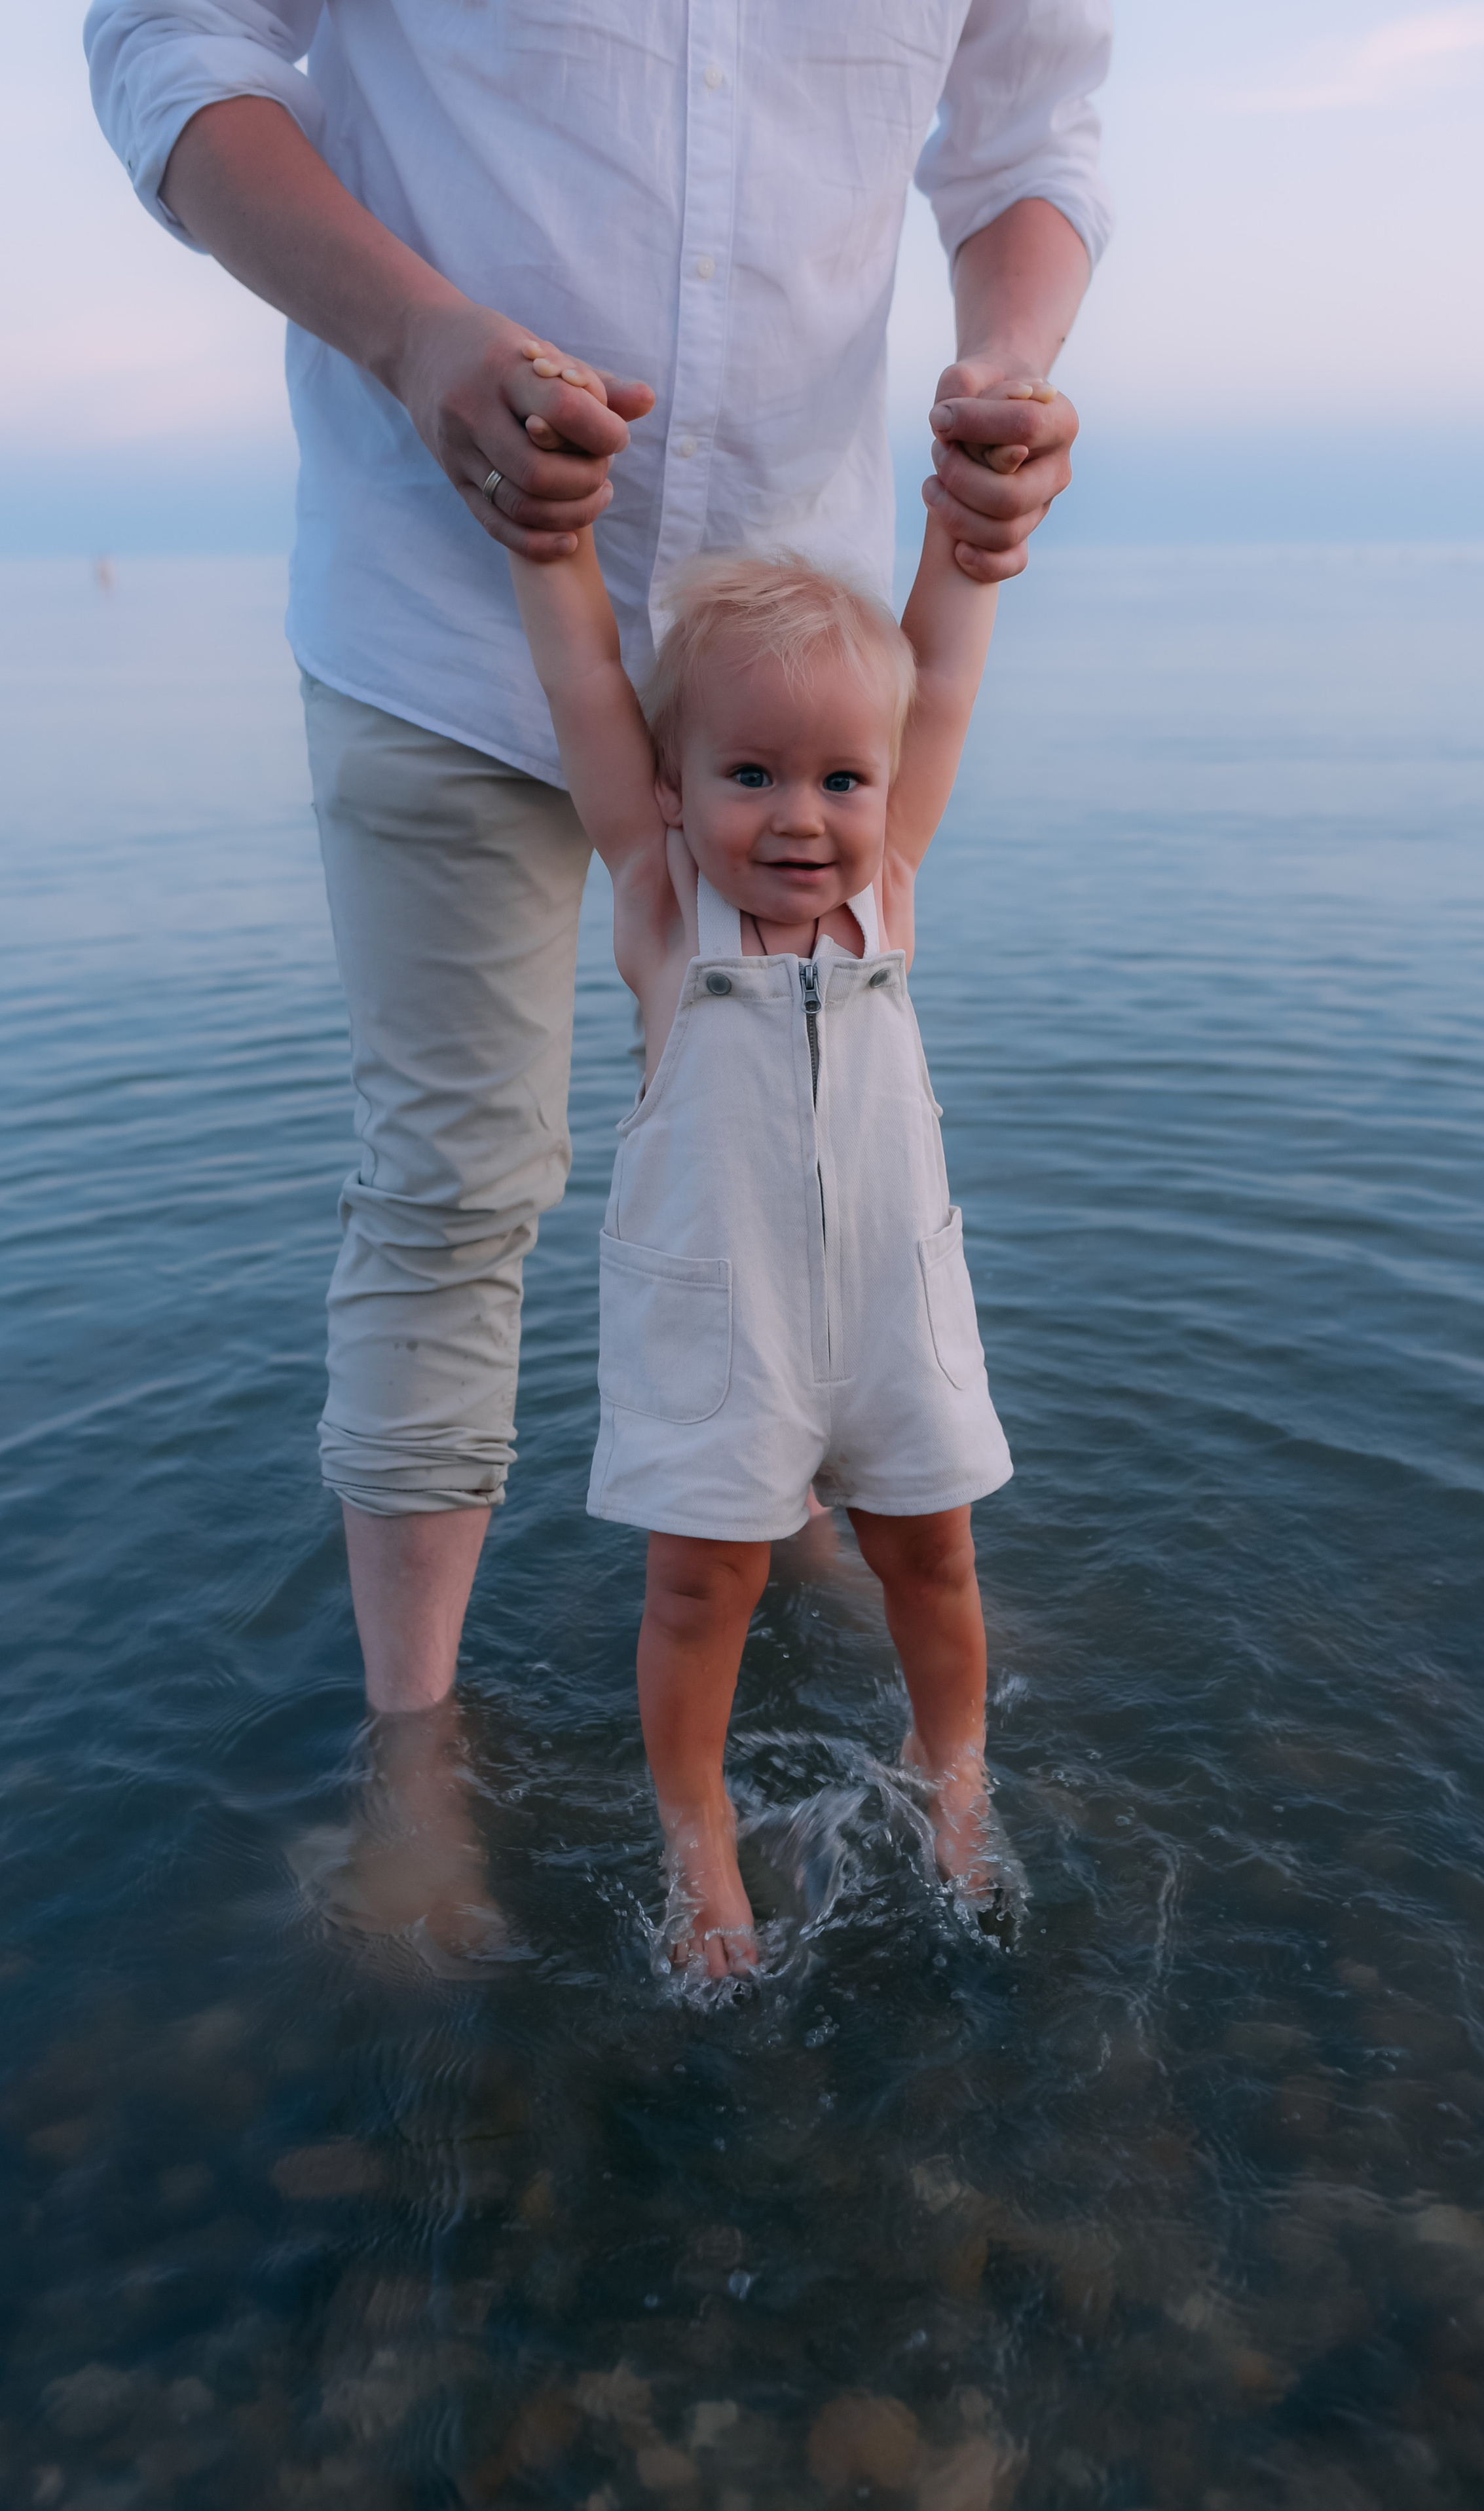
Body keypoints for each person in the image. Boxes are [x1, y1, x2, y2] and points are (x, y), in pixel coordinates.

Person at [84, 2, 1111, 1717]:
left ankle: (778, 1525)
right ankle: (414, 1748)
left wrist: (1004, 375)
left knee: (773, 1164)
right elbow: (176, 47)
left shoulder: (860, 848)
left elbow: (1031, 137)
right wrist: (420, 344)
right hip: (435, 586)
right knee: (452, 1184)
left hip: (797, 648)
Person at [507, 351, 1021, 1972]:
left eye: (836, 780)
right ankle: (698, 1831)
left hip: (889, 1300)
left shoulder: (891, 892)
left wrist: (960, 530)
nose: (800, 819)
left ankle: (956, 1777)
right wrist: (549, 546)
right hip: (721, 1313)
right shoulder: (667, 916)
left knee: (929, 1553)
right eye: (748, 776)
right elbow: (594, 687)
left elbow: (931, 684)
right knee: (698, 1589)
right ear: (675, 788)